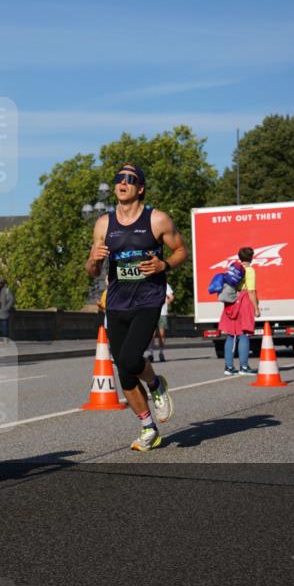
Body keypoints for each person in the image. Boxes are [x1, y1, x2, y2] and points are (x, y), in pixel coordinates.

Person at [85, 163, 187, 451]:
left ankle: (156, 385)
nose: (122, 183)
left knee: (130, 359)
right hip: (117, 302)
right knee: (125, 373)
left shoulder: (157, 220)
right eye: (119, 178)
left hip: (148, 298)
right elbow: (92, 270)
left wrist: (163, 264)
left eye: (130, 179)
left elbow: (182, 251)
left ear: (140, 187)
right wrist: (93, 259)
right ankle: (148, 428)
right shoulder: (104, 224)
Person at [219, 247, 260, 376]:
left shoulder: (233, 268)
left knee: (231, 334)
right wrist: (256, 308)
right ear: (251, 258)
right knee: (244, 334)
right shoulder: (250, 270)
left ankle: (229, 367)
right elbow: (251, 291)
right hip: (244, 300)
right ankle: (243, 366)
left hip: (231, 300)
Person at [148, 283, 174, 362]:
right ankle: (151, 354)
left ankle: (161, 352)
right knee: (151, 334)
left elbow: (171, 297)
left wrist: (165, 304)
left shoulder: (165, 284)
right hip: (150, 313)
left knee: (162, 334)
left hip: (162, 313)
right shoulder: (147, 284)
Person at [0, 277, 14, 343]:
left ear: (3, 283)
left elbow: (11, 300)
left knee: (4, 327)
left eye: (1, 283)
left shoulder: (7, 290)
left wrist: (6, 308)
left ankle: (5, 340)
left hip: (4, 312)